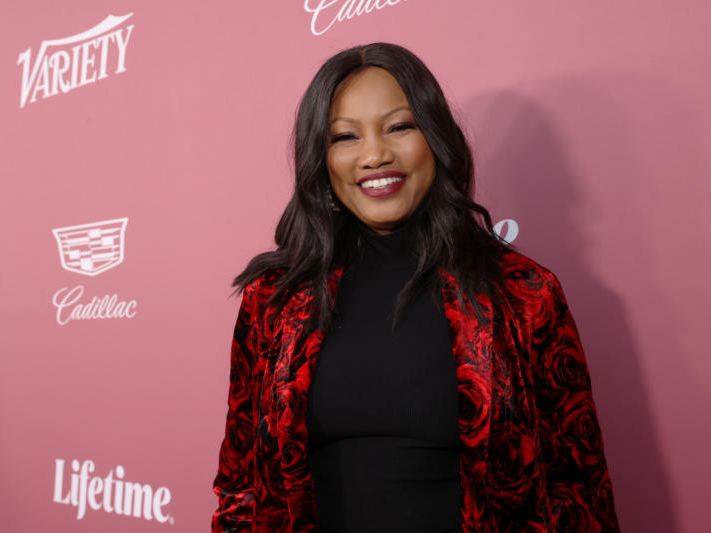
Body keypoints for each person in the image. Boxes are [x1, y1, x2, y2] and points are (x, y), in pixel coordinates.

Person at [212, 42, 619, 533]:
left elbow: (579, 488)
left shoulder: (524, 293)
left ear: (435, 138)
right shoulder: (274, 300)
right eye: (345, 136)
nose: (375, 154)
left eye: (399, 127)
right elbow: (241, 487)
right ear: (322, 160)